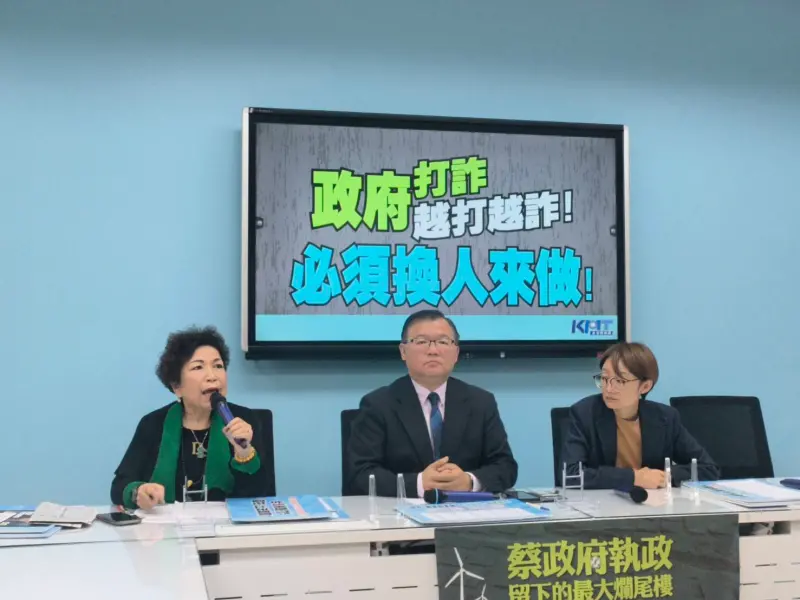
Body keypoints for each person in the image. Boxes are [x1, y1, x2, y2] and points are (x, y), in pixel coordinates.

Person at [347, 310, 518, 498]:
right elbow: (360, 475)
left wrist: (469, 481)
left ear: (456, 353)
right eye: (421, 342)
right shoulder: (378, 404)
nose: (433, 351)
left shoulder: (481, 402)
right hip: (400, 512)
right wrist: (420, 483)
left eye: (443, 342)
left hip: (465, 510)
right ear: (403, 351)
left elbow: (505, 467)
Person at [111, 326, 274, 509]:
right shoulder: (153, 423)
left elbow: (259, 494)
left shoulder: (242, 420)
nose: (212, 376)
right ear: (176, 386)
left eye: (218, 366)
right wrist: (138, 492)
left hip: (224, 525)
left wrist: (244, 452)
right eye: (198, 367)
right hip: (166, 525)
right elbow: (119, 487)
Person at [562, 341, 719, 490]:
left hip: (652, 502)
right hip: (601, 503)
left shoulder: (665, 418)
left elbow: (707, 469)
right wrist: (634, 477)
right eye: (604, 378)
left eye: (619, 381)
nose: (609, 389)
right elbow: (571, 474)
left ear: (645, 386)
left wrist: (663, 477)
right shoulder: (585, 413)